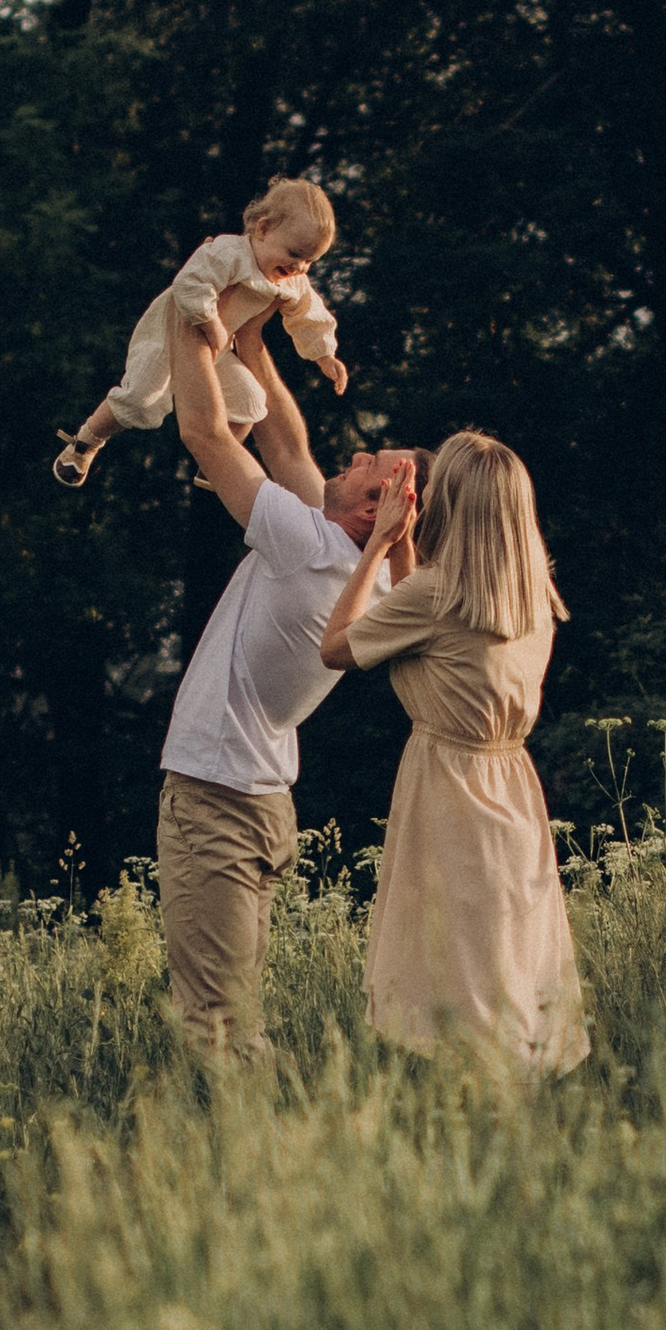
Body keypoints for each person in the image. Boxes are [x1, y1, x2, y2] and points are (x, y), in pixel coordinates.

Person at [151, 306, 413, 1061]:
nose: (356, 452)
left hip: (219, 800)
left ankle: (252, 1162)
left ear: (372, 510)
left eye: (372, 464)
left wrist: (186, 313)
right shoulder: (370, 569)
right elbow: (285, 439)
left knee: (218, 1030)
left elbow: (205, 433)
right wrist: (254, 342)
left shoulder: (307, 547)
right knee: (234, 1017)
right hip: (260, 798)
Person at [320, 433, 588, 1075]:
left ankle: (475, 1128)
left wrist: (382, 544)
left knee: (456, 973)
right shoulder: (528, 598)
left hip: (450, 790)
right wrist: (408, 548)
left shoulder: (437, 596)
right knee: (502, 959)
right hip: (510, 788)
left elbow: (335, 647)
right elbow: (427, 628)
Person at [53, 174, 346, 489]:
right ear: (263, 229)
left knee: (251, 402)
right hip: (167, 338)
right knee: (139, 399)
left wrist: (325, 355)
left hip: (214, 352)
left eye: (310, 261)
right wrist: (211, 324)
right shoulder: (229, 253)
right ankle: (86, 442)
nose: (300, 268)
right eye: (294, 254)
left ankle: (218, 465)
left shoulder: (291, 281)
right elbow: (190, 284)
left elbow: (309, 315)